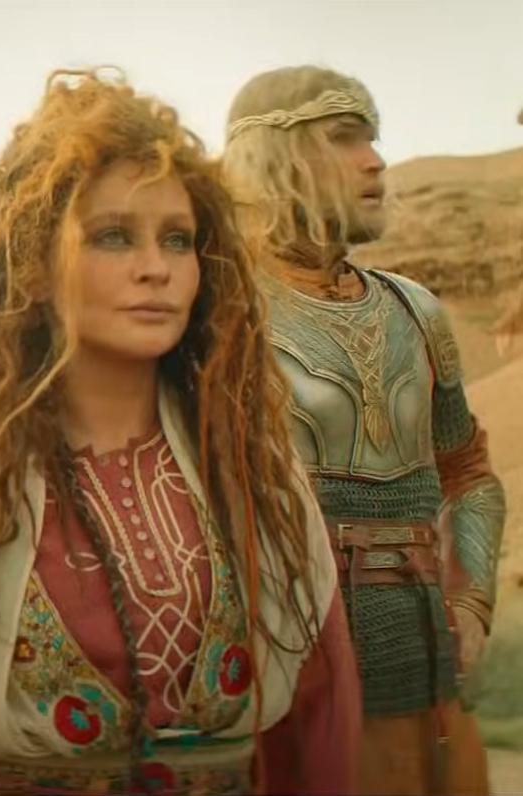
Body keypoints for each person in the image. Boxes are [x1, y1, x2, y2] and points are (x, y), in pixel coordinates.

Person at [0, 69, 359, 796]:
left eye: (177, 240)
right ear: (35, 268)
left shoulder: (255, 468)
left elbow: (319, 724)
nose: (156, 269)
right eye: (113, 237)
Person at [221, 65, 506, 795]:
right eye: (346, 138)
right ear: (274, 157)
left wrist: (471, 601)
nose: (375, 161)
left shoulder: (416, 309)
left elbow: (467, 473)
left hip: (430, 658)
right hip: (294, 665)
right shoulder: (220, 314)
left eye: (372, 139)